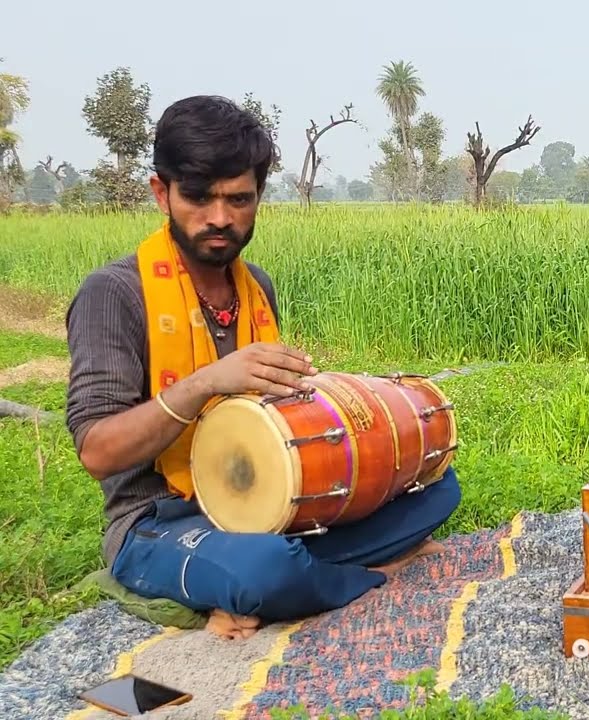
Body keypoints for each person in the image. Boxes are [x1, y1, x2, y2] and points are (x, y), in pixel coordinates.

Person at [65, 95, 462, 640]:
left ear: (257, 196)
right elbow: (97, 451)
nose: (220, 218)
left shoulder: (256, 287)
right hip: (161, 522)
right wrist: (205, 385)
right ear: (162, 193)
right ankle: (365, 577)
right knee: (263, 568)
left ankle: (274, 586)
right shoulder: (114, 294)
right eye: (198, 198)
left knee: (437, 491)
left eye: (239, 198)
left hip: (268, 508)